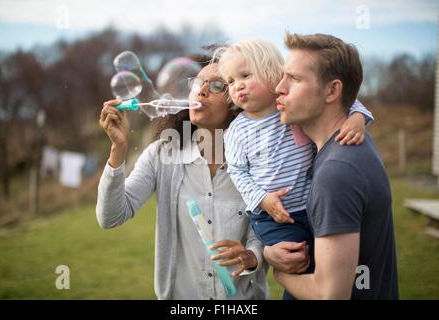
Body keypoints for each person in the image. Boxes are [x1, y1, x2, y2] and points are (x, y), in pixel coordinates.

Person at [96, 54, 268, 300]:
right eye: (198, 84)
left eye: (217, 85)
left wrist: (252, 256)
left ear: (238, 101)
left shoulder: (257, 161)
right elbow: (110, 217)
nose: (202, 92)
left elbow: (262, 229)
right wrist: (118, 148)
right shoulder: (162, 154)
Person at [213, 39, 373, 298]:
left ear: (271, 73)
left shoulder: (289, 107)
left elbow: (345, 100)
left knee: (323, 263)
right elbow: (238, 171)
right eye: (231, 81)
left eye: (245, 75)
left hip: (309, 206)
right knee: (300, 260)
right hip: (273, 216)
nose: (237, 85)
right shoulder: (237, 131)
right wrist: (262, 199)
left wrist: (358, 118)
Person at [267, 32, 398, 299]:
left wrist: (279, 272)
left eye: (294, 78)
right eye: (282, 76)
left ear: (332, 91)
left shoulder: (337, 172)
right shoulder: (351, 143)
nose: (279, 88)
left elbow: (329, 293)